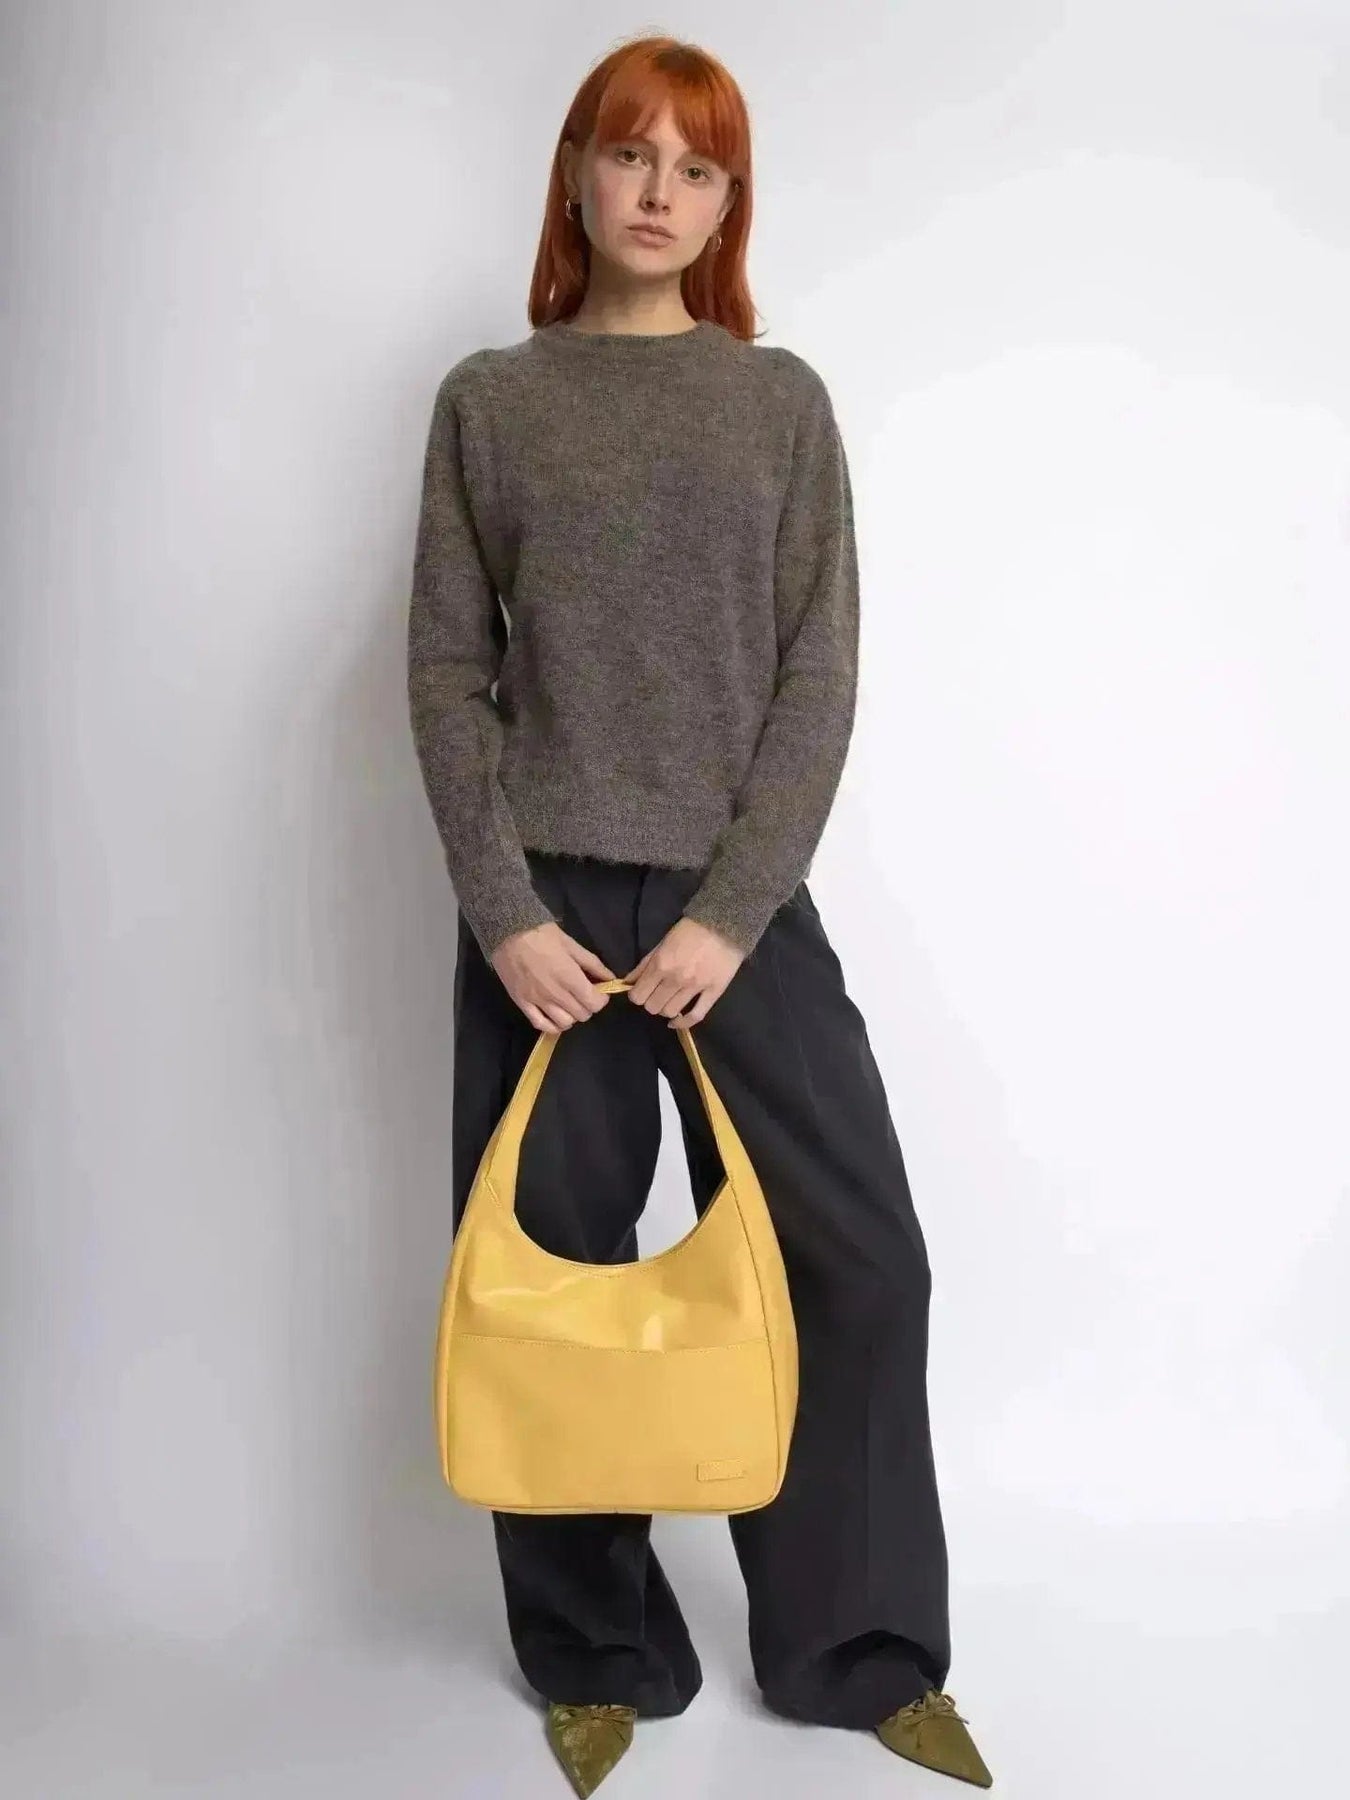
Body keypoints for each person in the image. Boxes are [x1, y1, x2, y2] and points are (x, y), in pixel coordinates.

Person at [406, 32, 993, 1799]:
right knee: (556, 1283)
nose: (658, 191)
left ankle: (858, 1651)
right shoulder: (490, 403)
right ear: (575, 175)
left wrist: (733, 914)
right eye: (629, 153)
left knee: (860, 1261)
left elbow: (818, 674)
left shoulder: (776, 403)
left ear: (729, 203)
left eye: (698, 167)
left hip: (737, 912)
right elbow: (445, 675)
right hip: (546, 926)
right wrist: (503, 912)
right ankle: (594, 1658)